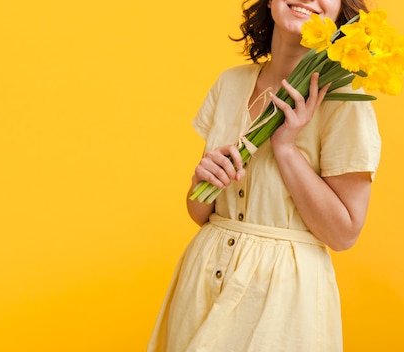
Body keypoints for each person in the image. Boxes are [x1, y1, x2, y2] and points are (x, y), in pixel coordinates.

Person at [148, 0, 381, 351]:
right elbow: (201, 214)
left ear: (341, 12)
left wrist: (285, 148)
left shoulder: (345, 102)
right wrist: (201, 182)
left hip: (281, 299)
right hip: (201, 282)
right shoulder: (229, 83)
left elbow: (344, 233)